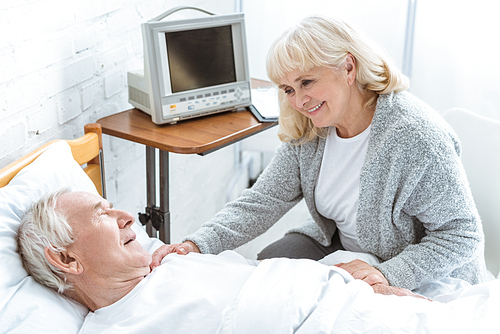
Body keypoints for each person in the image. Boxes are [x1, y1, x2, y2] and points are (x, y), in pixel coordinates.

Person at [150, 15, 493, 291]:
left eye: (307, 82)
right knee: (265, 276)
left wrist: (391, 274)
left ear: (348, 68)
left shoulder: (415, 137)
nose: (298, 101)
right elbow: (262, 201)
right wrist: (197, 245)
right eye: (288, 89)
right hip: (341, 245)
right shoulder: (311, 129)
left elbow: (462, 234)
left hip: (413, 265)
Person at [17, 189, 427, 333]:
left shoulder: (170, 262)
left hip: (352, 301)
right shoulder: (119, 328)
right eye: (101, 214)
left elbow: (267, 278)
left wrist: (356, 284)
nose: (126, 216)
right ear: (67, 259)